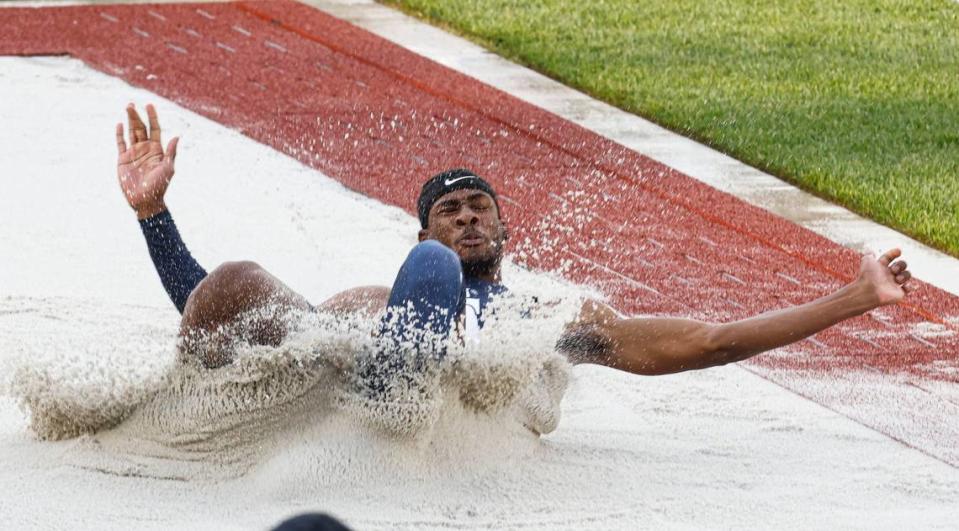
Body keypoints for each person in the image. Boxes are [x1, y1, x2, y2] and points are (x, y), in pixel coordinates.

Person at [116, 103, 912, 378]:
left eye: (477, 206)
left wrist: (852, 297)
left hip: (454, 384)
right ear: (417, 229)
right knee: (232, 278)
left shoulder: (552, 318)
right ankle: (198, 402)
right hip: (340, 367)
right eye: (447, 210)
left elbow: (708, 342)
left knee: (434, 279)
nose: (465, 217)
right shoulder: (376, 292)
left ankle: (410, 389)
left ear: (503, 227)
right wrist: (155, 217)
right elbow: (209, 310)